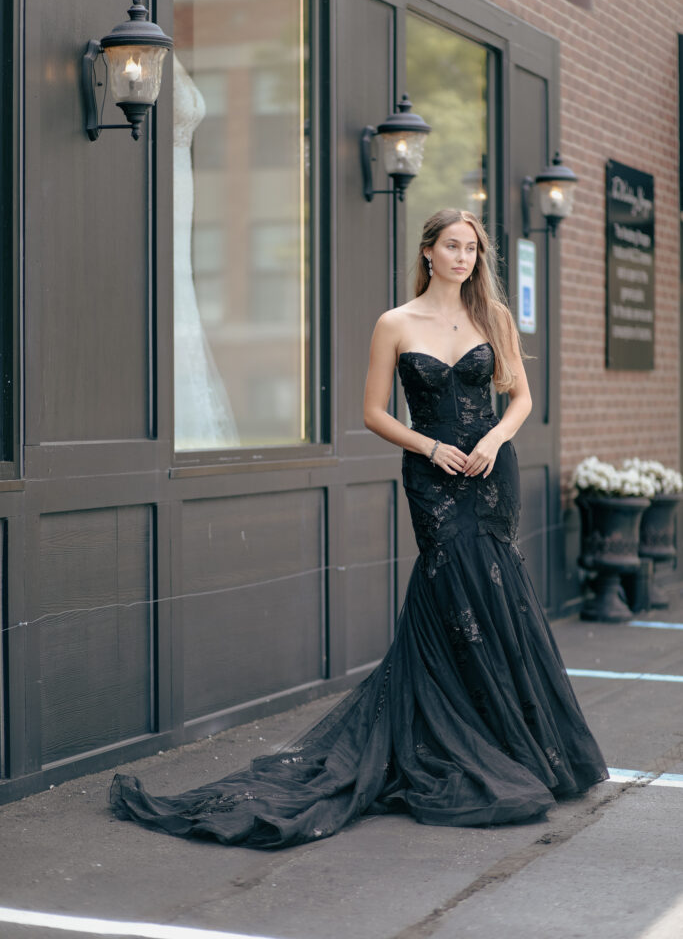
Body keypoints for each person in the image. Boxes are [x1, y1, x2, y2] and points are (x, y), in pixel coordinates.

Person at [110, 209, 607, 848]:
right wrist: (430, 449)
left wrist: (493, 439)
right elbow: (372, 412)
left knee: (497, 589)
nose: (464, 258)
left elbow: (522, 399)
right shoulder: (395, 323)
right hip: (433, 480)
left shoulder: (495, 320)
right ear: (428, 252)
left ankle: (516, 738)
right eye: (453, 246)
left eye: (473, 249)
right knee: (451, 594)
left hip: (489, 473)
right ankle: (452, 731)